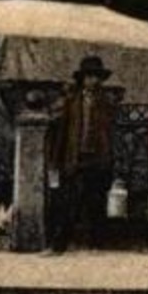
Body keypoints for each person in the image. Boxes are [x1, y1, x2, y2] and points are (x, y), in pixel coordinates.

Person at [47, 55, 119, 253]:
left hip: (98, 158)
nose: (93, 81)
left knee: (96, 203)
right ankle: (58, 245)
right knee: (69, 203)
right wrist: (56, 160)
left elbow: (111, 132)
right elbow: (62, 131)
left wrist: (111, 158)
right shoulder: (71, 102)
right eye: (89, 77)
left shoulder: (106, 102)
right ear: (82, 79)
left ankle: (96, 244)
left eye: (96, 77)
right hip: (76, 157)